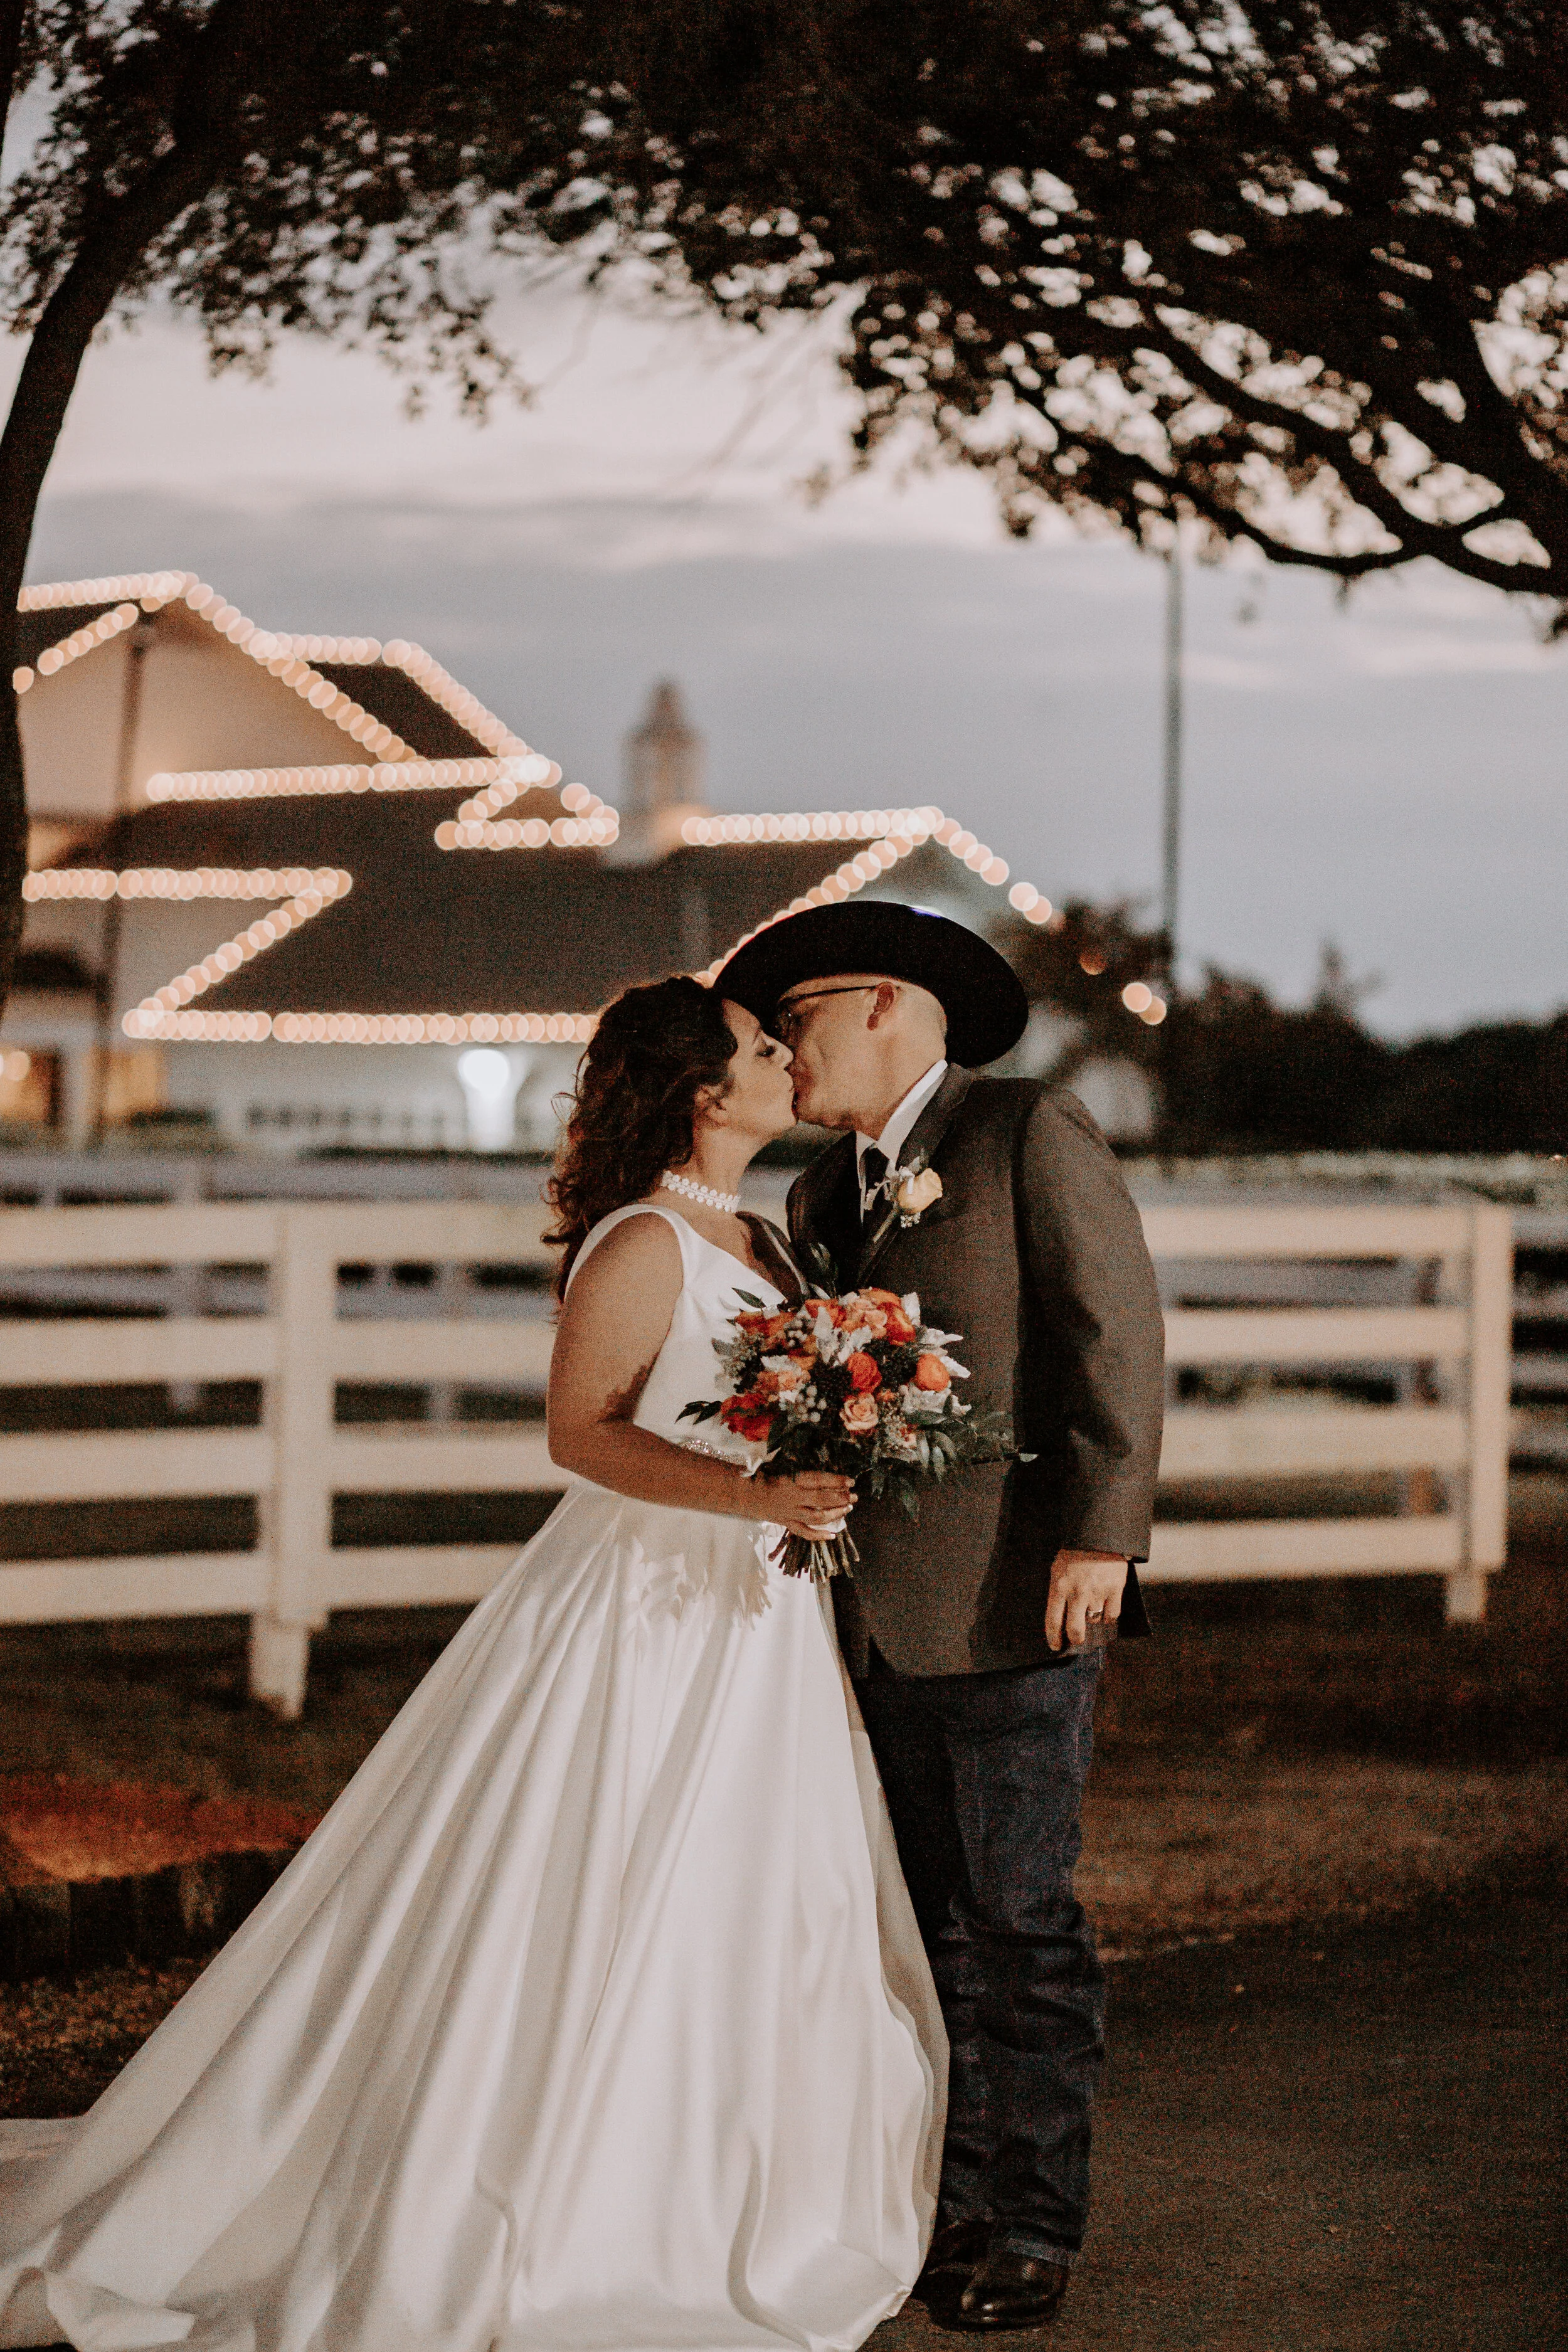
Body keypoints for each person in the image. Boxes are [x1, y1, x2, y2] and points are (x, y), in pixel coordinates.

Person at [0, 977, 945, 2352]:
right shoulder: (641, 1242)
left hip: (751, 1612)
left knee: (748, 1878)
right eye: (756, 1048)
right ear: (700, 1091)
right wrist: (754, 1498)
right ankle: (558, 2187)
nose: (781, 1064)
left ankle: (733, 2169)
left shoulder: (754, 1230)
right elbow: (580, 1437)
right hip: (645, 1611)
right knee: (599, 1870)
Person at [719, 901, 1166, 2333]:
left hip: (1010, 1600)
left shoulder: (1021, 1132)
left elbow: (1113, 1332)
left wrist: (1102, 1534)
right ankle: (945, 2204)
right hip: (861, 1624)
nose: (783, 1058)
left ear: (877, 1007)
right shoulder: (818, 1199)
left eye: (793, 1024)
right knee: (917, 1934)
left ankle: (1032, 2227)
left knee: (1019, 1922)